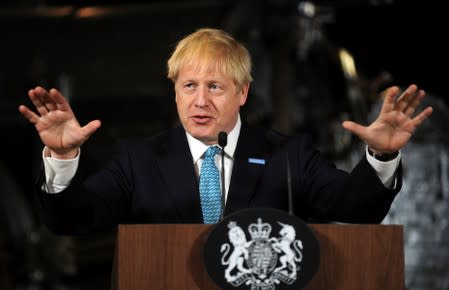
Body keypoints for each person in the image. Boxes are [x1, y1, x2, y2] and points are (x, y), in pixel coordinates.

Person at [18, 28, 433, 235]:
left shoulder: (288, 157)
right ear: (175, 92)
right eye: (189, 86)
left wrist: (380, 157)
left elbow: (355, 208)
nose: (200, 101)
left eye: (215, 86)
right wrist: (62, 159)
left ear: (243, 93)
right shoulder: (137, 160)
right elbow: (73, 220)